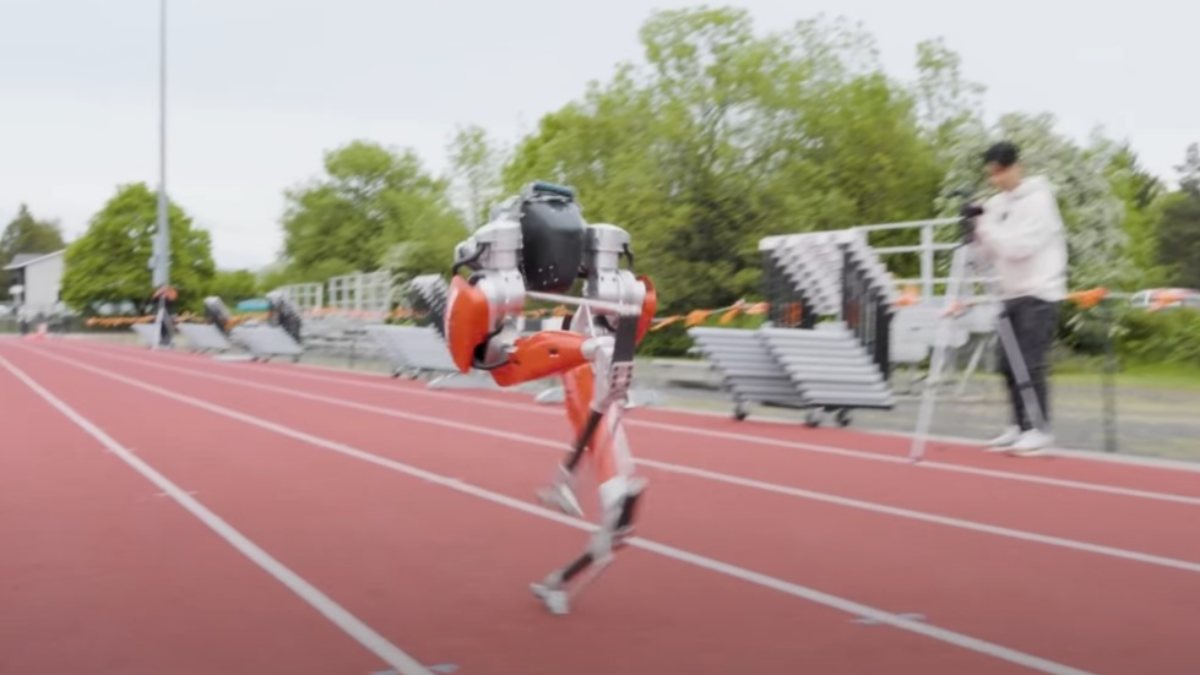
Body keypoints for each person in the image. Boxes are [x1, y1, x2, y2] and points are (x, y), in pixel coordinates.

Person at [972, 141, 1068, 454]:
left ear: (1017, 167)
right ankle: (1019, 426)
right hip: (1008, 292)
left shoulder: (1039, 201)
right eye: (991, 174)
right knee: (1007, 364)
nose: (996, 179)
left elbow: (1018, 248)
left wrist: (986, 227)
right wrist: (975, 230)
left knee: (1030, 363)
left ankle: (1040, 428)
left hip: (1038, 291)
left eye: (1001, 172)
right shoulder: (996, 204)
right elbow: (987, 254)